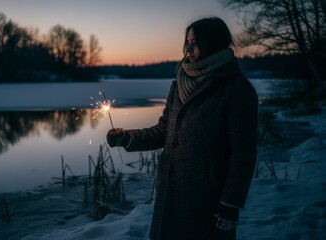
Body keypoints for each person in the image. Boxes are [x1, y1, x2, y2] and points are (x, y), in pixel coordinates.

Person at [107, 17, 258, 240]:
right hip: (172, 196)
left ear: (214, 43)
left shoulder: (237, 90)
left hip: (208, 202)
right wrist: (128, 138)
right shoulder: (180, 83)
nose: (188, 48)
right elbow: (163, 131)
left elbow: (243, 154)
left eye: (195, 42)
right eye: (187, 41)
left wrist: (230, 203)